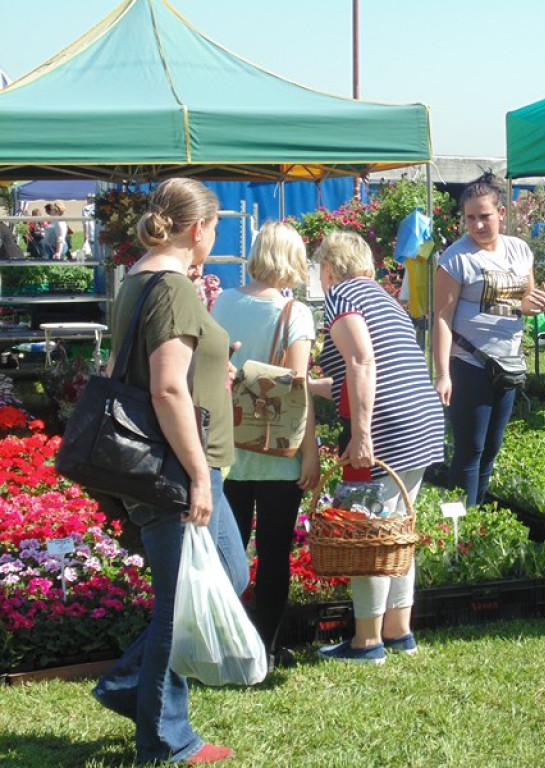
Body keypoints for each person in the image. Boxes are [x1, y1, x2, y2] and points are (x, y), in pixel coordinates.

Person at [91, 178, 247, 765]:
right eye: (215, 228)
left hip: (163, 462)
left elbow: (143, 367)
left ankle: (133, 687)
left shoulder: (136, 278)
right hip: (178, 467)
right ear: (200, 228)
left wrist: (214, 366)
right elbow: (164, 388)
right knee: (191, 596)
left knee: (210, 583)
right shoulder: (175, 286)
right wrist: (200, 477)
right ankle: (163, 739)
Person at [312, 230, 445, 663]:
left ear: (329, 270)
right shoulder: (386, 299)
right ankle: (398, 631)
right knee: (397, 528)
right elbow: (368, 368)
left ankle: (366, 641)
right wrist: (309, 385)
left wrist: (362, 434)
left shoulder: (341, 297)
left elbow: (362, 361)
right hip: (420, 418)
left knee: (366, 530)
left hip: (386, 426)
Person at [210, 220, 319, 669]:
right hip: (276, 455)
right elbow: (297, 390)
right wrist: (310, 453)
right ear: (293, 260)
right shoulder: (295, 314)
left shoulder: (221, 303)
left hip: (227, 447)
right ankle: (265, 651)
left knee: (226, 556)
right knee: (274, 556)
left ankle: (227, 645)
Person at [433, 172, 545, 506]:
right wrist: (442, 373)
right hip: (469, 362)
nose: (477, 225)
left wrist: (538, 304)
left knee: (492, 450)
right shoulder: (456, 258)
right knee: (470, 451)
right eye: (470, 218)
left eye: (484, 216)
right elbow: (441, 317)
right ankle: (456, 530)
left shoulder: (520, 250)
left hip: (507, 362)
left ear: (500, 213)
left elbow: (525, 302)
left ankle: (477, 520)